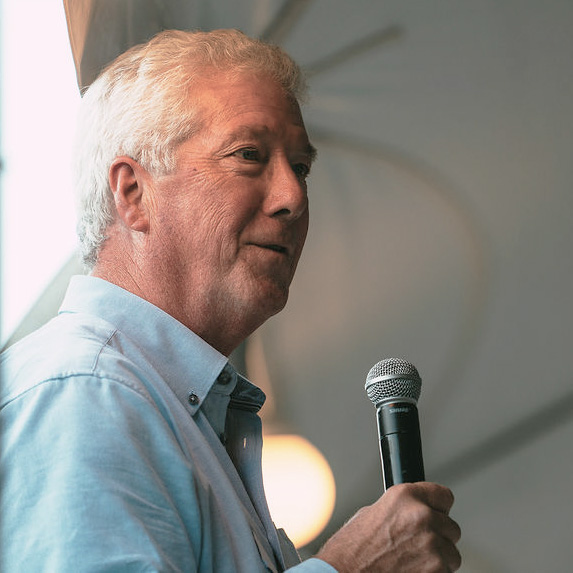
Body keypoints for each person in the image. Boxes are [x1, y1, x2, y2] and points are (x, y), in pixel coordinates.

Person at [0, 29, 461, 572]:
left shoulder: (166, 407)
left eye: (302, 167)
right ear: (133, 193)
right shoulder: (88, 390)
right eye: (248, 155)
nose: (293, 196)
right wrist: (347, 569)